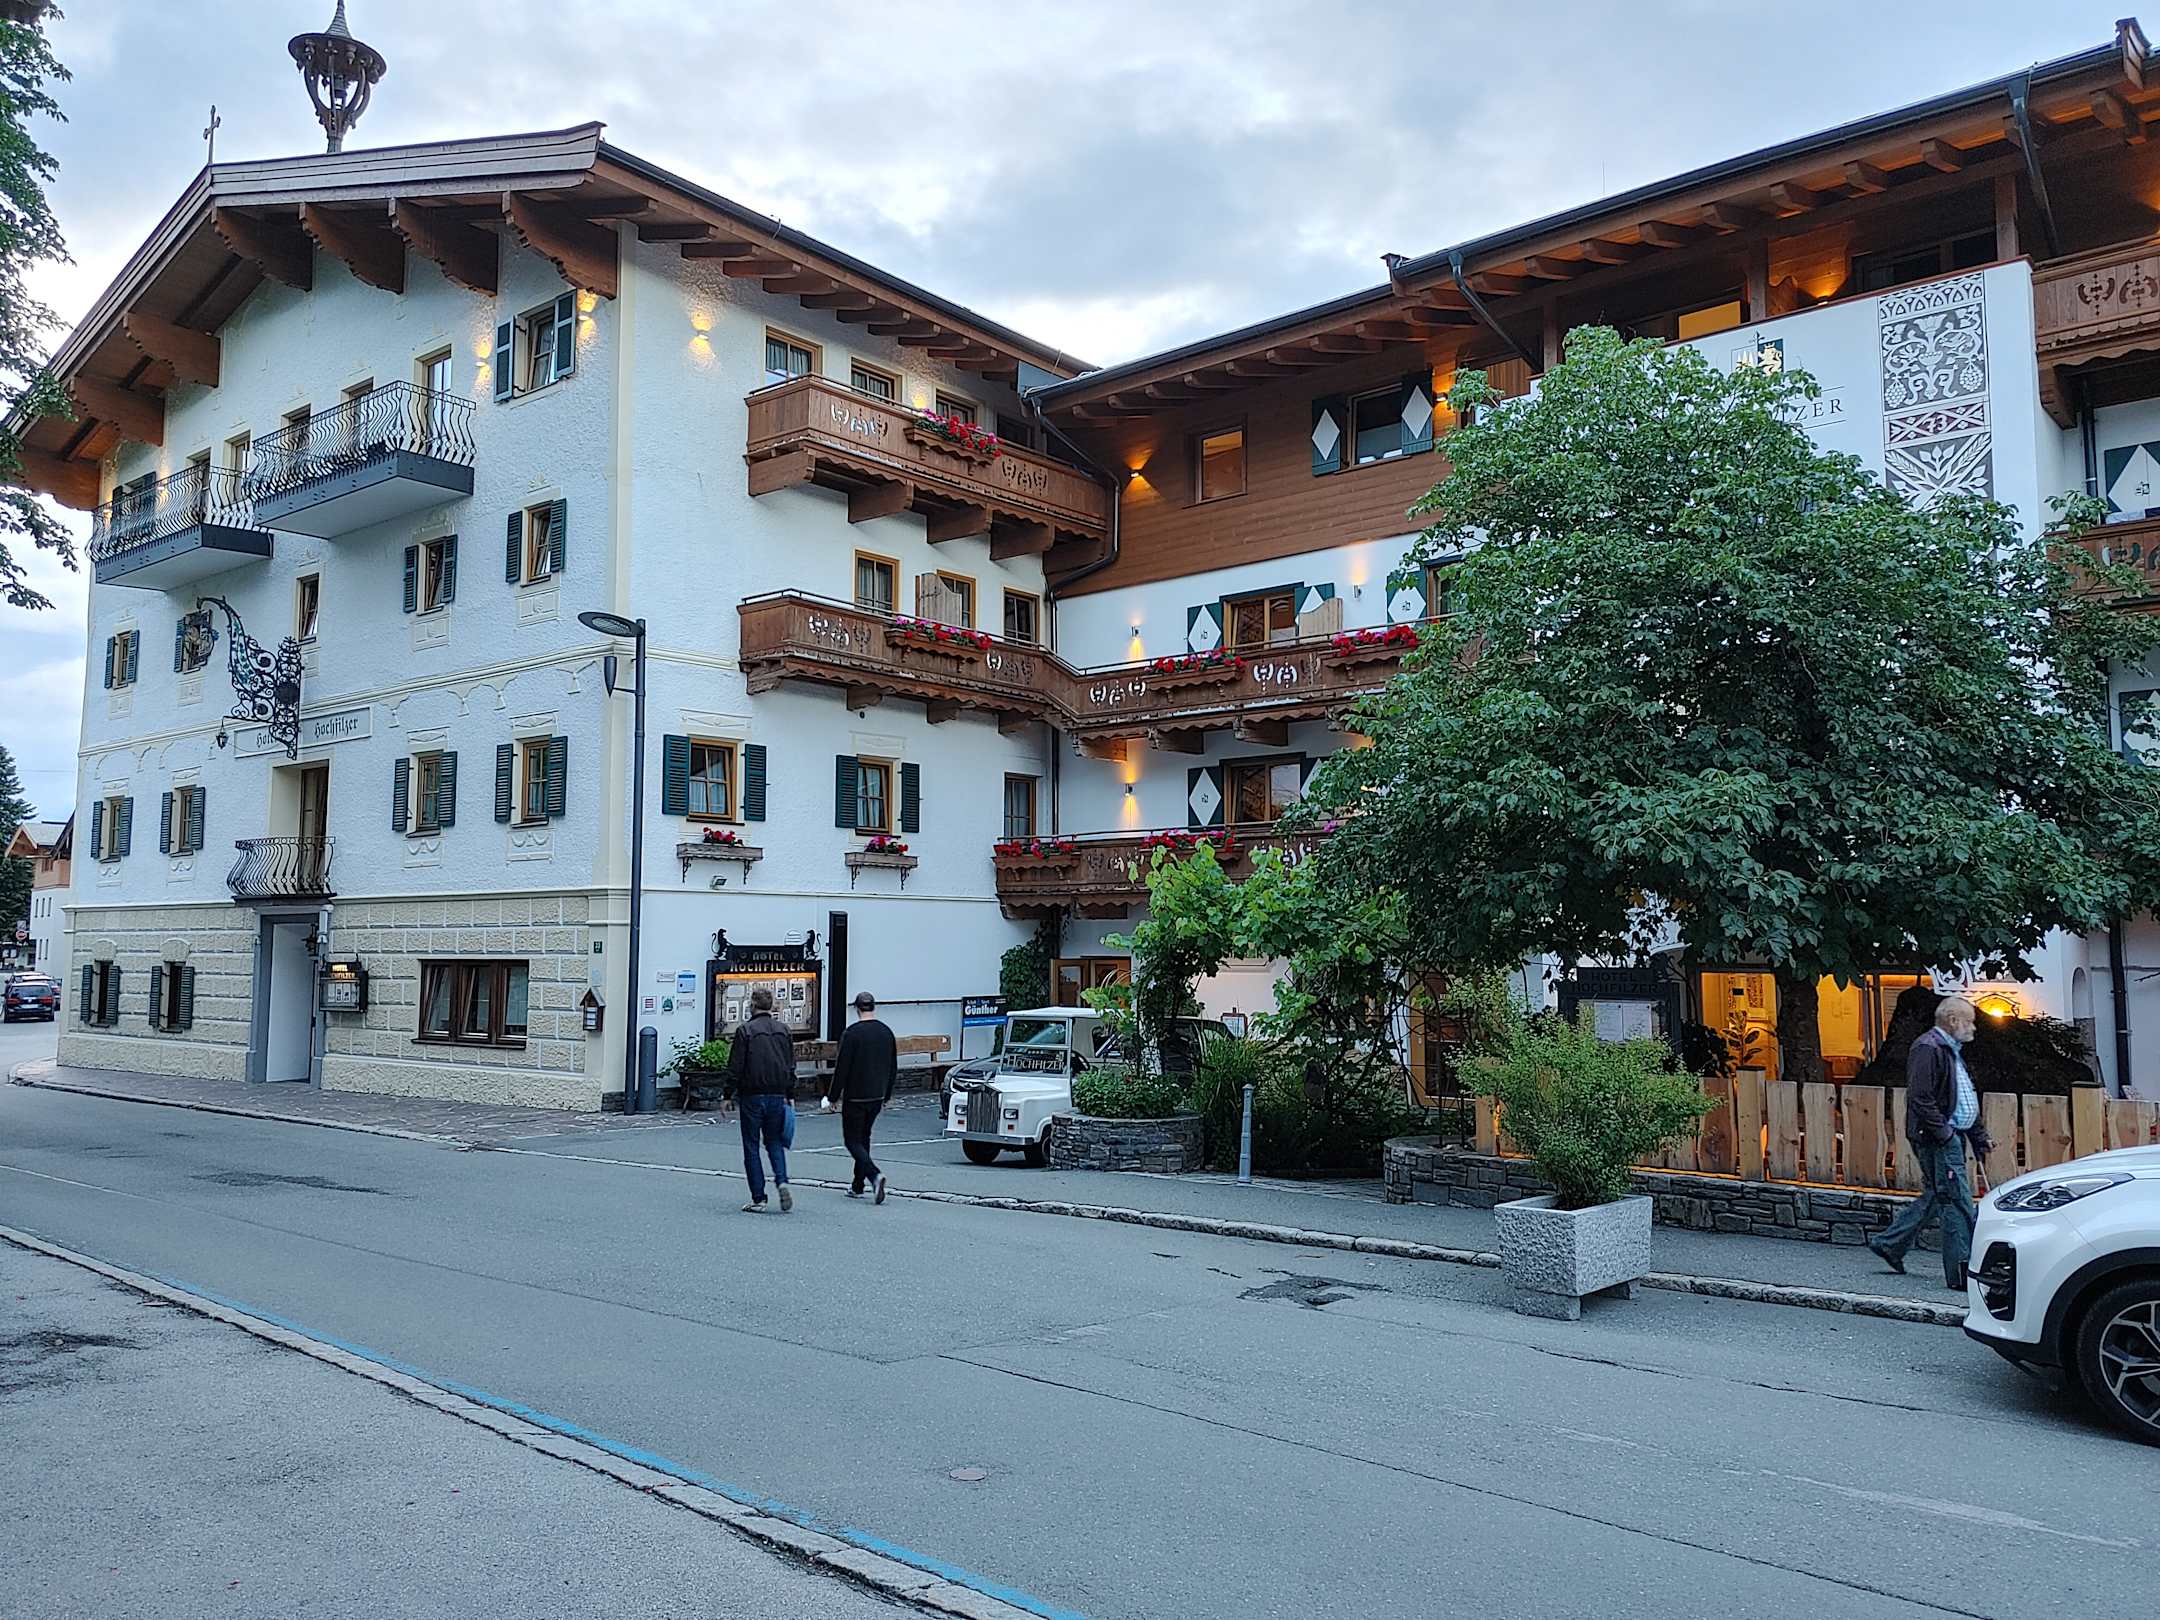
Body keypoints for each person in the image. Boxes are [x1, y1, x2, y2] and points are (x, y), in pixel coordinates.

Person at [1870, 994, 1993, 1289]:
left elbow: (1962, 1098)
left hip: (1947, 1134)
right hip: (1939, 1137)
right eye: (1969, 1021)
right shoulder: (1928, 1048)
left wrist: (1977, 1135)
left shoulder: (1947, 1049)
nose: (1973, 1027)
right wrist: (1945, 1134)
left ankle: (1890, 1244)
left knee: (1940, 1195)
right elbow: (1921, 1098)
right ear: (1953, 1020)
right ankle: (1960, 1272)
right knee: (1956, 1200)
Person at [724, 988, 796, 1213]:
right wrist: (790, 1094)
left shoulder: (745, 1030)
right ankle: (782, 1181)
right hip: (777, 1094)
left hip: (752, 1095)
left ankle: (759, 1198)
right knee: (774, 1141)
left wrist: (727, 1094)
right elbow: (790, 1065)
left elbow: (736, 1066)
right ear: (771, 1005)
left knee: (751, 1145)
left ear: (752, 1005)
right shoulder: (783, 1030)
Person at [826, 990, 898, 1203]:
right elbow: (892, 1066)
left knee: (852, 1140)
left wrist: (833, 1097)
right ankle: (858, 1185)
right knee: (864, 1137)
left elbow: (842, 1068)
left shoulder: (852, 1034)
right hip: (877, 1095)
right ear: (874, 1006)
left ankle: (875, 1175)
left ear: (857, 1008)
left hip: (856, 1096)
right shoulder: (886, 1032)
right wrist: (887, 1094)